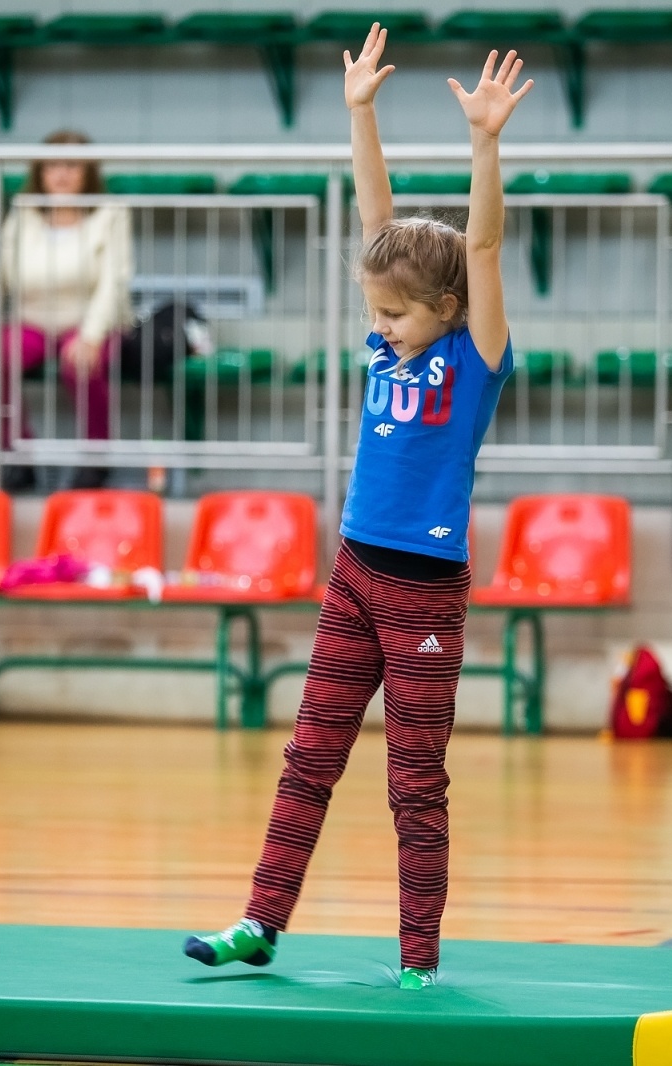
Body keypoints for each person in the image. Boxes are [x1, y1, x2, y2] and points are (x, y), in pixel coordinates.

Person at [182, 25, 529, 990]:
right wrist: (360, 113)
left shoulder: (474, 357)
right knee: (309, 758)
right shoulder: (390, 345)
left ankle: (419, 965)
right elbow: (378, 223)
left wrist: (485, 144)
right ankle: (260, 922)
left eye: (396, 312)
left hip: (424, 594)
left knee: (415, 784)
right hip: (355, 575)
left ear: (450, 310)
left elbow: (485, 242)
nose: (377, 326)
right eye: (375, 310)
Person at [0, 130, 132, 492]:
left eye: (72, 165)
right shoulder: (23, 214)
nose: (61, 174)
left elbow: (114, 282)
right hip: (33, 319)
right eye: (52, 165)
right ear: (40, 172)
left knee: (79, 360)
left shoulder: (111, 214)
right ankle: (16, 455)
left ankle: (96, 458)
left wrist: (91, 336)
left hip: (91, 321)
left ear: (88, 172)